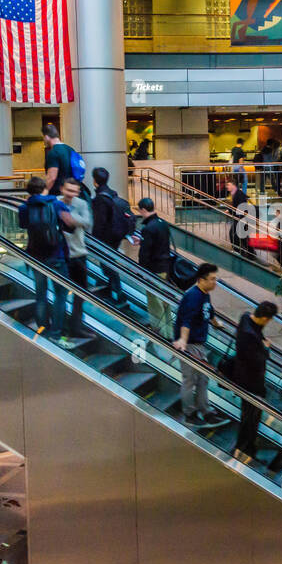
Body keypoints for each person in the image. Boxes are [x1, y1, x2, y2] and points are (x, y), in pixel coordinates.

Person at [18, 175, 78, 346]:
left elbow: (23, 225)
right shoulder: (56, 204)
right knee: (60, 295)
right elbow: (70, 226)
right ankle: (56, 334)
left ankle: (42, 330)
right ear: (45, 188)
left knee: (41, 295)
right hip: (56, 255)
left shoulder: (24, 208)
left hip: (35, 257)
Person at [172, 262, 226, 429]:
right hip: (190, 345)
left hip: (199, 344)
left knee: (203, 379)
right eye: (212, 279)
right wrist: (182, 340)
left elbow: (209, 312)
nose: (215, 283)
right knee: (190, 379)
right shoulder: (193, 296)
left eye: (216, 279)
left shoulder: (204, 294)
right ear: (201, 280)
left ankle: (206, 410)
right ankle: (190, 414)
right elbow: (186, 321)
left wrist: (216, 324)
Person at [232, 300, 278, 461]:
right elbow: (258, 360)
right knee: (250, 415)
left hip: (246, 378)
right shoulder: (249, 335)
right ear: (266, 318)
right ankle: (244, 447)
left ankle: (247, 446)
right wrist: (265, 348)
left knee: (249, 414)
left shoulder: (245, 318)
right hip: (250, 382)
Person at [57, 177, 93, 338]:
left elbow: (87, 222)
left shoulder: (81, 204)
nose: (71, 194)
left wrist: (71, 219)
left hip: (78, 255)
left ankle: (76, 326)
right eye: (68, 190)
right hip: (61, 256)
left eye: (74, 191)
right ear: (62, 189)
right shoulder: (55, 203)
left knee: (81, 293)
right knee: (62, 293)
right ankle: (63, 327)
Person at [89, 167, 130, 303]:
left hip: (105, 238)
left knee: (107, 265)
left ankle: (118, 293)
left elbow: (99, 222)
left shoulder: (100, 199)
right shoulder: (113, 193)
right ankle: (113, 289)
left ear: (95, 181)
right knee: (109, 263)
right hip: (115, 236)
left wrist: (94, 241)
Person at [135, 197, 173, 332]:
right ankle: (169, 330)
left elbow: (145, 253)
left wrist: (140, 271)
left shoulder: (148, 228)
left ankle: (159, 331)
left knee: (154, 301)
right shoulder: (162, 223)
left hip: (153, 270)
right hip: (165, 267)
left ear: (144, 210)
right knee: (165, 301)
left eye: (140, 211)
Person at [42, 123, 85, 193]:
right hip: (72, 192)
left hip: (59, 194)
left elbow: (51, 178)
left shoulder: (53, 152)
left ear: (46, 137)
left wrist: (42, 194)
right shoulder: (71, 149)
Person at [225, 178, 254, 256]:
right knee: (243, 237)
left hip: (241, 219)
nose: (227, 187)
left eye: (228, 185)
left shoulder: (239, 194)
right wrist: (229, 210)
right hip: (240, 218)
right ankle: (250, 253)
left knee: (234, 234)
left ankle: (239, 252)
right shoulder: (235, 193)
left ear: (233, 185)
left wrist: (231, 211)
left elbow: (241, 207)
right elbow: (236, 206)